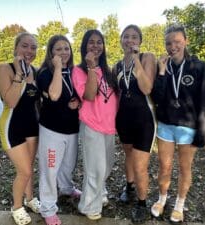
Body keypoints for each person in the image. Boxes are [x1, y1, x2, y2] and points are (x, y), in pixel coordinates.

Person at [150, 24, 205, 222]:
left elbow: (204, 100)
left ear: (186, 41)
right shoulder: (163, 65)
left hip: (188, 128)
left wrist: (203, 131)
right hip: (166, 125)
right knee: (164, 167)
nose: (172, 46)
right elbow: (156, 97)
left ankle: (180, 205)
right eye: (168, 42)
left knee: (185, 168)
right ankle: (162, 199)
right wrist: (160, 72)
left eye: (177, 41)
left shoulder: (198, 67)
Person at [72, 29, 119, 220]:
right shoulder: (79, 70)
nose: (95, 46)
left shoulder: (108, 70)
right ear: (84, 46)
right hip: (92, 124)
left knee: (107, 166)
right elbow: (90, 95)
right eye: (91, 42)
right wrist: (91, 68)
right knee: (95, 167)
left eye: (99, 42)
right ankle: (89, 205)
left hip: (109, 125)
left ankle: (100, 192)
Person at [0, 32, 40, 225]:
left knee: (30, 168)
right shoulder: (5, 69)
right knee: (24, 171)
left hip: (32, 126)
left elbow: (38, 101)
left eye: (33, 47)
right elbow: (11, 101)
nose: (29, 50)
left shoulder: (35, 71)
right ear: (16, 48)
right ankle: (17, 207)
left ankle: (30, 199)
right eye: (25, 46)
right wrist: (20, 73)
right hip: (11, 127)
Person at [112, 24, 157, 224]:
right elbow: (115, 94)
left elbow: (146, 88)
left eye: (134, 37)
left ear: (139, 41)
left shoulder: (147, 58)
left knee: (140, 165)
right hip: (124, 118)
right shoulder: (117, 65)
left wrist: (137, 60)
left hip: (144, 119)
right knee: (128, 155)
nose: (130, 40)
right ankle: (129, 187)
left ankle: (142, 203)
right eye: (126, 36)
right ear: (121, 40)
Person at [36, 35, 81, 225]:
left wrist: (78, 102)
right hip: (52, 130)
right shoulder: (45, 73)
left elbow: (79, 93)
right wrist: (57, 68)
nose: (63, 53)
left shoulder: (74, 71)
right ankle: (47, 208)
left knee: (68, 164)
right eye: (58, 49)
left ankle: (66, 188)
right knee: (50, 169)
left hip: (72, 128)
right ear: (51, 53)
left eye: (66, 49)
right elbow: (54, 94)